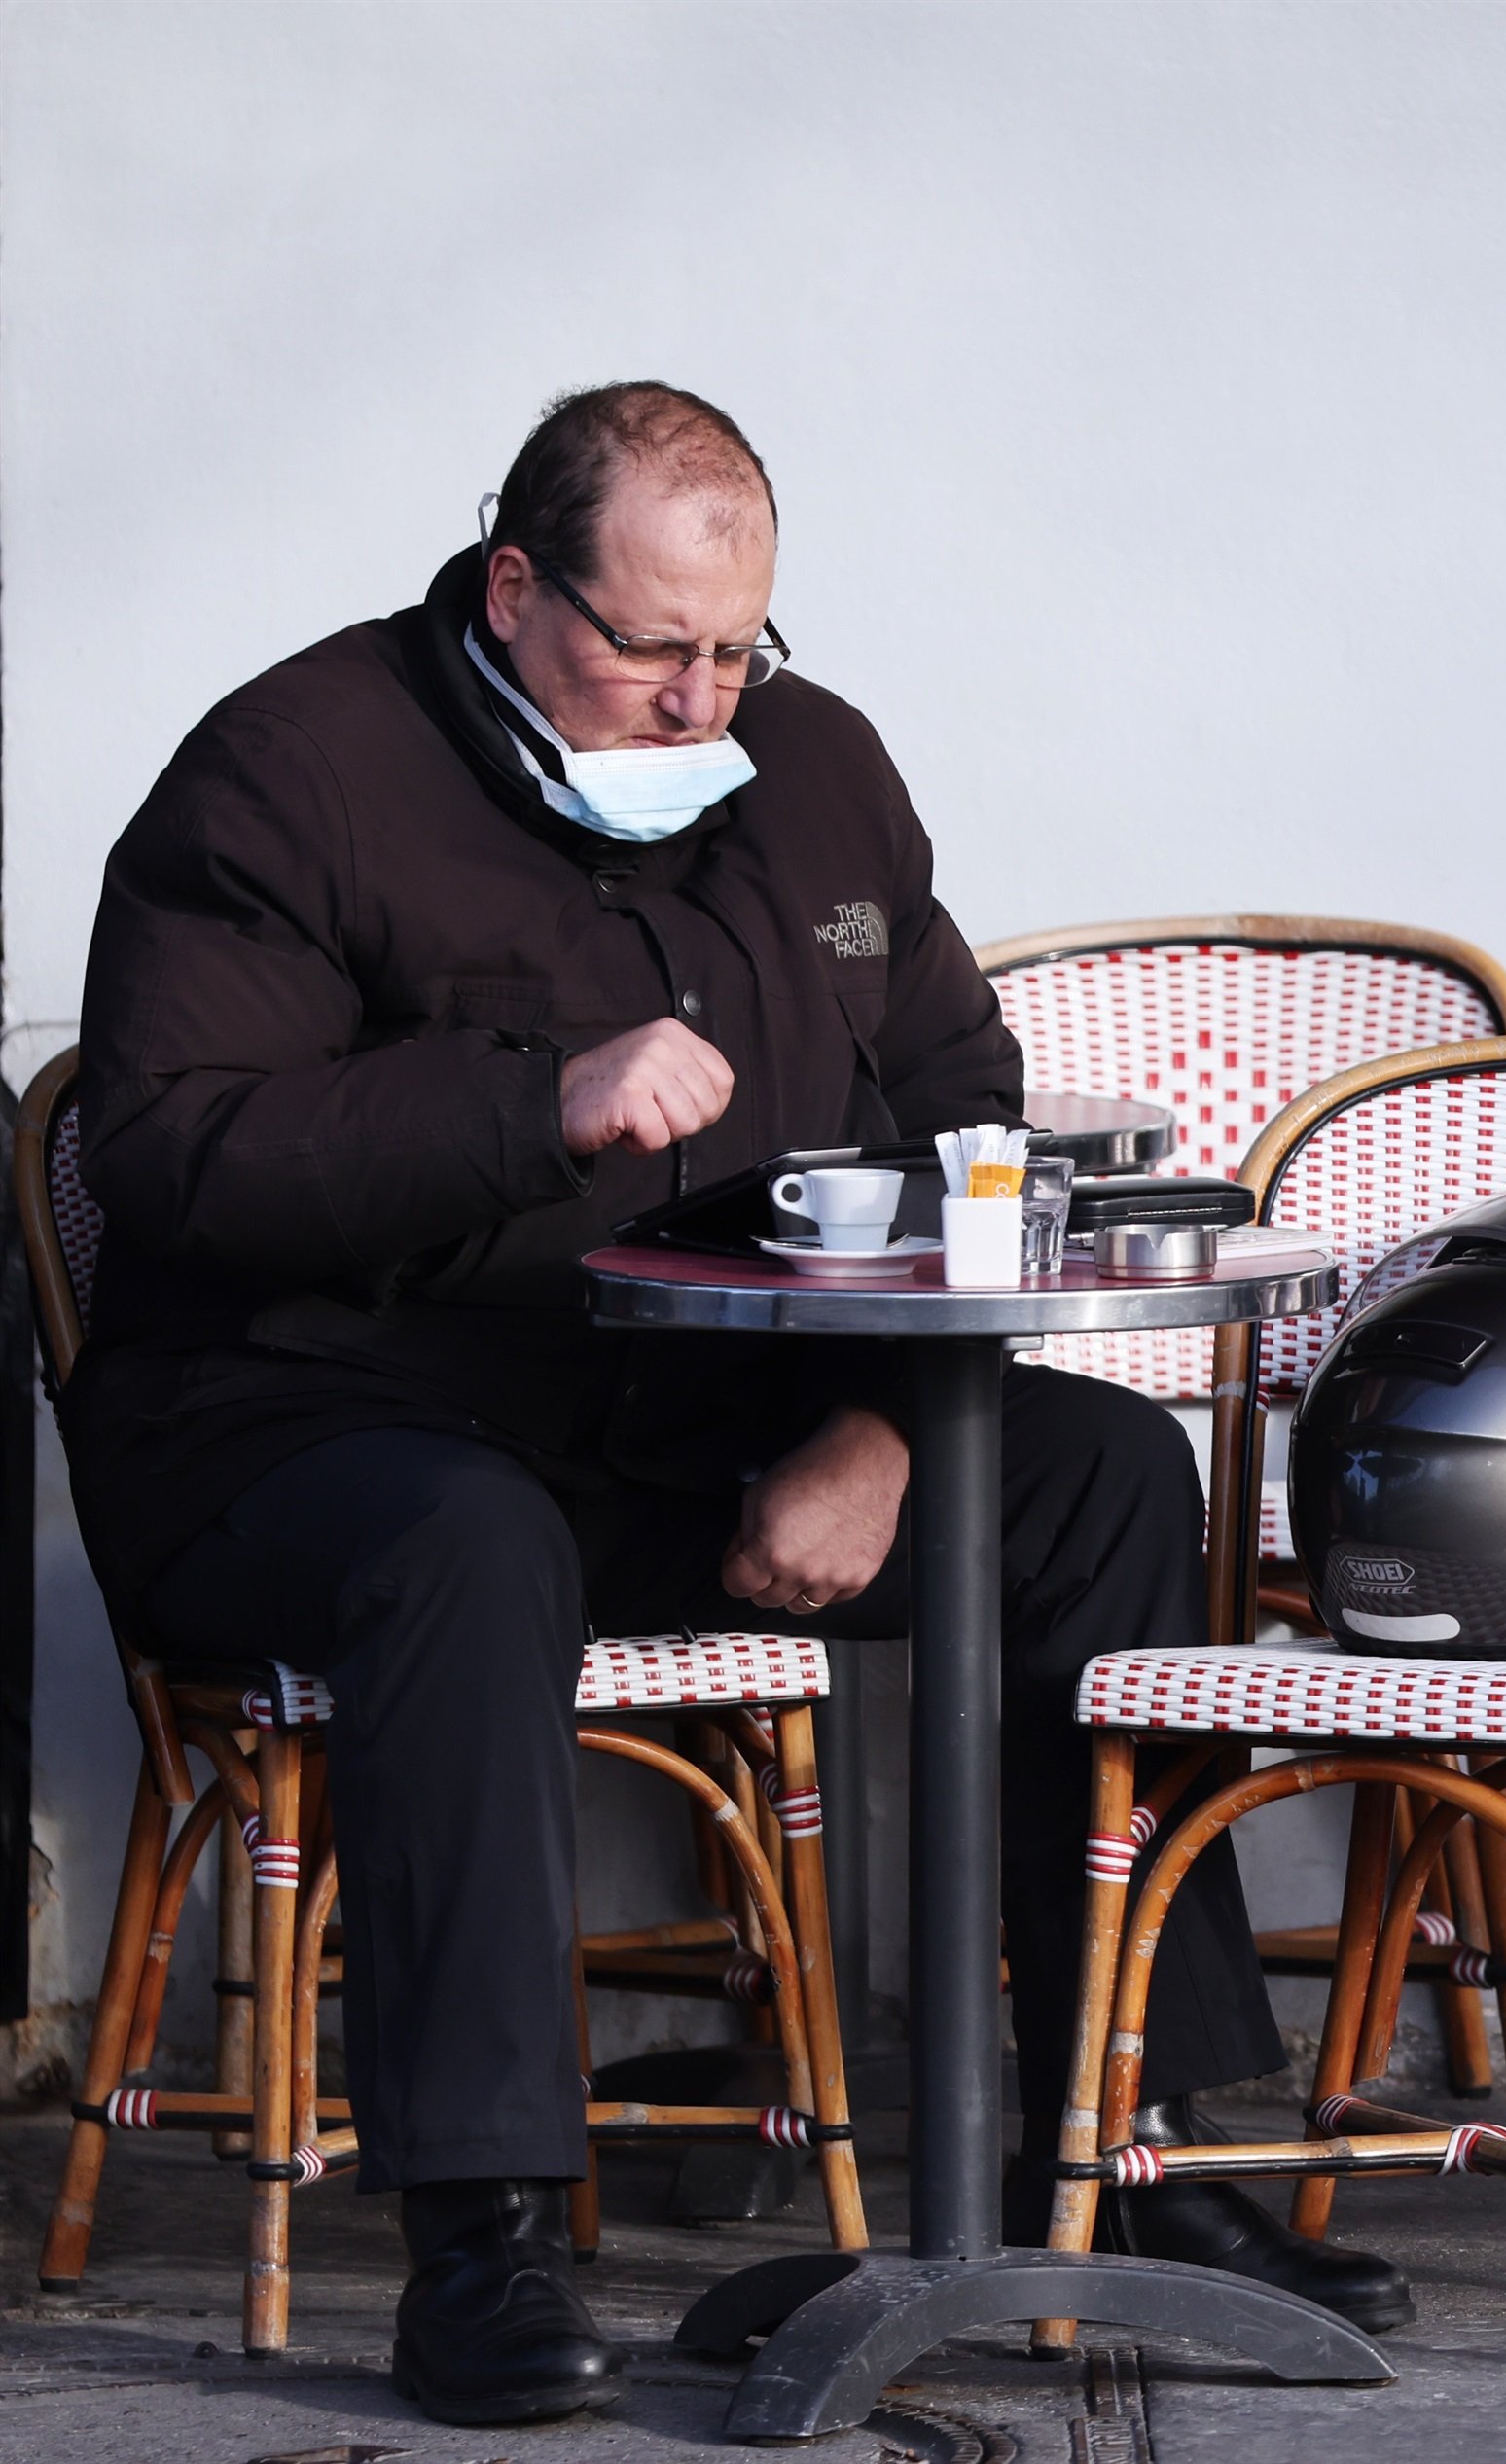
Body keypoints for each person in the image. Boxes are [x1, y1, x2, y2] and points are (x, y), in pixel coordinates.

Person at [60, 383, 1410, 2427]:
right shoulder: (289, 769)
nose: (704, 701)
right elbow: (173, 1152)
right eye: (652, 649)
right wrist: (533, 1103)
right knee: (464, 1541)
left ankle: (1116, 2151)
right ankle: (483, 2240)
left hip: (678, 1418)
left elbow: (959, 1105)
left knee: (1098, 1475)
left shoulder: (818, 767)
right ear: (514, 590)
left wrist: (882, 1424)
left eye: (737, 647)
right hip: (301, 1420)